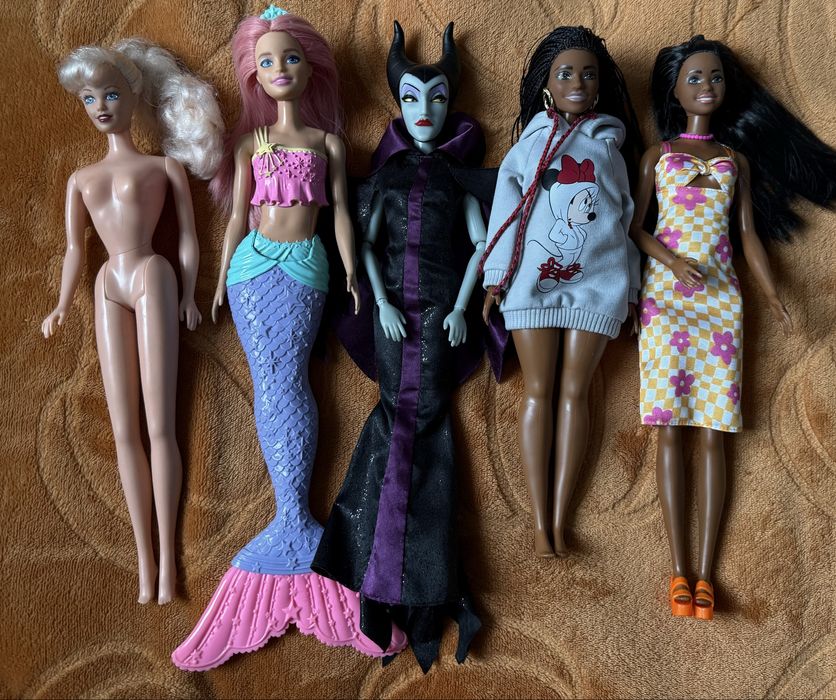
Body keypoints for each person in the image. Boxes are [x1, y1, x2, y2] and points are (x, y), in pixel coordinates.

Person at [171, 6, 405, 671]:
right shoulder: (250, 144)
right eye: (267, 61)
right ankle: (288, 519)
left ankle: (295, 521)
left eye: (291, 58)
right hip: (253, 269)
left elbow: (341, 217)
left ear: (311, 68)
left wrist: (353, 270)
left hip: (305, 266)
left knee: (292, 379)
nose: (279, 70)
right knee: (269, 381)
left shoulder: (329, 144)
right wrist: (221, 278)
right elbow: (236, 218)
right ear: (254, 74)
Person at [311, 21, 497, 672]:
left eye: (438, 99)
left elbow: (480, 245)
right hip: (394, 319)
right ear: (398, 104)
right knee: (396, 419)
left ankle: (404, 580)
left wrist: (464, 307)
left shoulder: (454, 178)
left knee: (423, 424)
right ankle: (399, 580)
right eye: (413, 99)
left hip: (441, 318)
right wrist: (382, 303)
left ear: (451, 107)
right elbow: (364, 244)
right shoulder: (387, 179)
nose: (425, 111)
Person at [630, 35, 836, 619]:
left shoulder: (733, 160)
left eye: (715, 77)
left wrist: (773, 293)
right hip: (667, 301)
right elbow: (635, 227)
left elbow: (746, 235)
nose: (706, 87)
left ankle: (707, 572)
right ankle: (679, 571)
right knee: (670, 428)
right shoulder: (658, 156)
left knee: (714, 430)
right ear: (673, 89)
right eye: (694, 79)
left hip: (721, 304)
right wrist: (671, 262)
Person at [43, 38, 222, 604]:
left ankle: (169, 563)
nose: (100, 106)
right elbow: (76, 249)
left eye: (111, 94)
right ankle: (145, 564)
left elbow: (190, 236)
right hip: (107, 285)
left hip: (152, 273)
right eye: (89, 98)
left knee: (160, 424)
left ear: (133, 93)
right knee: (124, 429)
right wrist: (61, 304)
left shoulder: (164, 167)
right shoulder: (80, 178)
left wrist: (189, 293)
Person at [480, 26, 642, 558]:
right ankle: (538, 519)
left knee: (576, 393)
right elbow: (505, 213)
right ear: (546, 85)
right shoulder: (527, 147)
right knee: (538, 391)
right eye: (566, 73)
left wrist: (632, 287)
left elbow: (624, 223)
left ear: (600, 86)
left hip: (598, 283)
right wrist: (496, 275)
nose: (578, 82)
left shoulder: (611, 149)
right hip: (534, 279)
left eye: (588, 74)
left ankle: (559, 513)